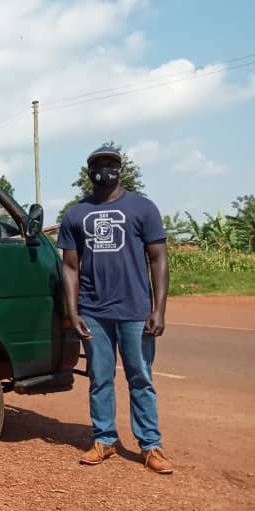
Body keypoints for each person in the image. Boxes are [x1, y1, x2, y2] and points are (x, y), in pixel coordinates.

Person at [58, 145, 172, 474]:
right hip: (93, 311)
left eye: (111, 164)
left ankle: (150, 445)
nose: (104, 170)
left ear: (120, 170)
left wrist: (159, 309)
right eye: (98, 165)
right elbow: (70, 267)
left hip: (136, 311)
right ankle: (104, 439)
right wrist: (73, 311)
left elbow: (158, 259)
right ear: (89, 172)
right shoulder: (76, 214)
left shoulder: (143, 208)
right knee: (100, 378)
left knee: (141, 378)